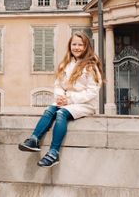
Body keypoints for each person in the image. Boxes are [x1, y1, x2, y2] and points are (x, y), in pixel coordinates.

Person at [18, 32, 102, 168]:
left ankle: (53, 153)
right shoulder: (66, 64)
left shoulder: (91, 66)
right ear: (70, 46)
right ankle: (34, 139)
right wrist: (60, 96)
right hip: (66, 101)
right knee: (50, 109)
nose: (77, 47)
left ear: (86, 47)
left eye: (81, 45)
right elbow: (58, 84)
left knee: (61, 113)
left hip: (84, 104)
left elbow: (92, 91)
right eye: (74, 44)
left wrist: (69, 99)